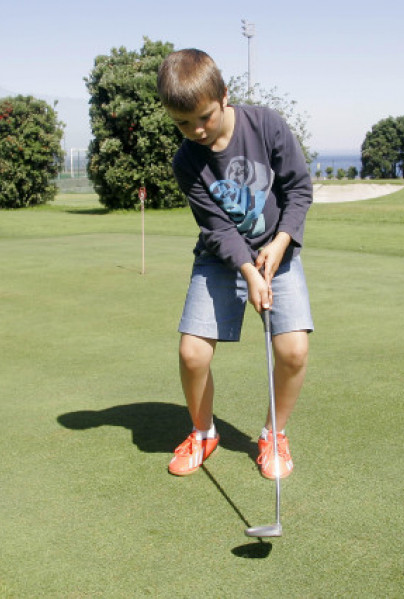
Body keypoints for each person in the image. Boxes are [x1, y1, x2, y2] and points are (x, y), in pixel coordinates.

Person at [157, 49, 313, 480]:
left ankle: (273, 434)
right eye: (183, 124)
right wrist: (247, 270)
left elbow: (298, 190)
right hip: (220, 260)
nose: (196, 130)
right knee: (192, 354)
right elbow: (217, 228)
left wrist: (280, 244)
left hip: (278, 254)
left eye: (204, 117)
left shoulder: (267, 125)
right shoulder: (186, 160)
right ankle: (203, 432)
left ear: (224, 95)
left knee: (294, 350)